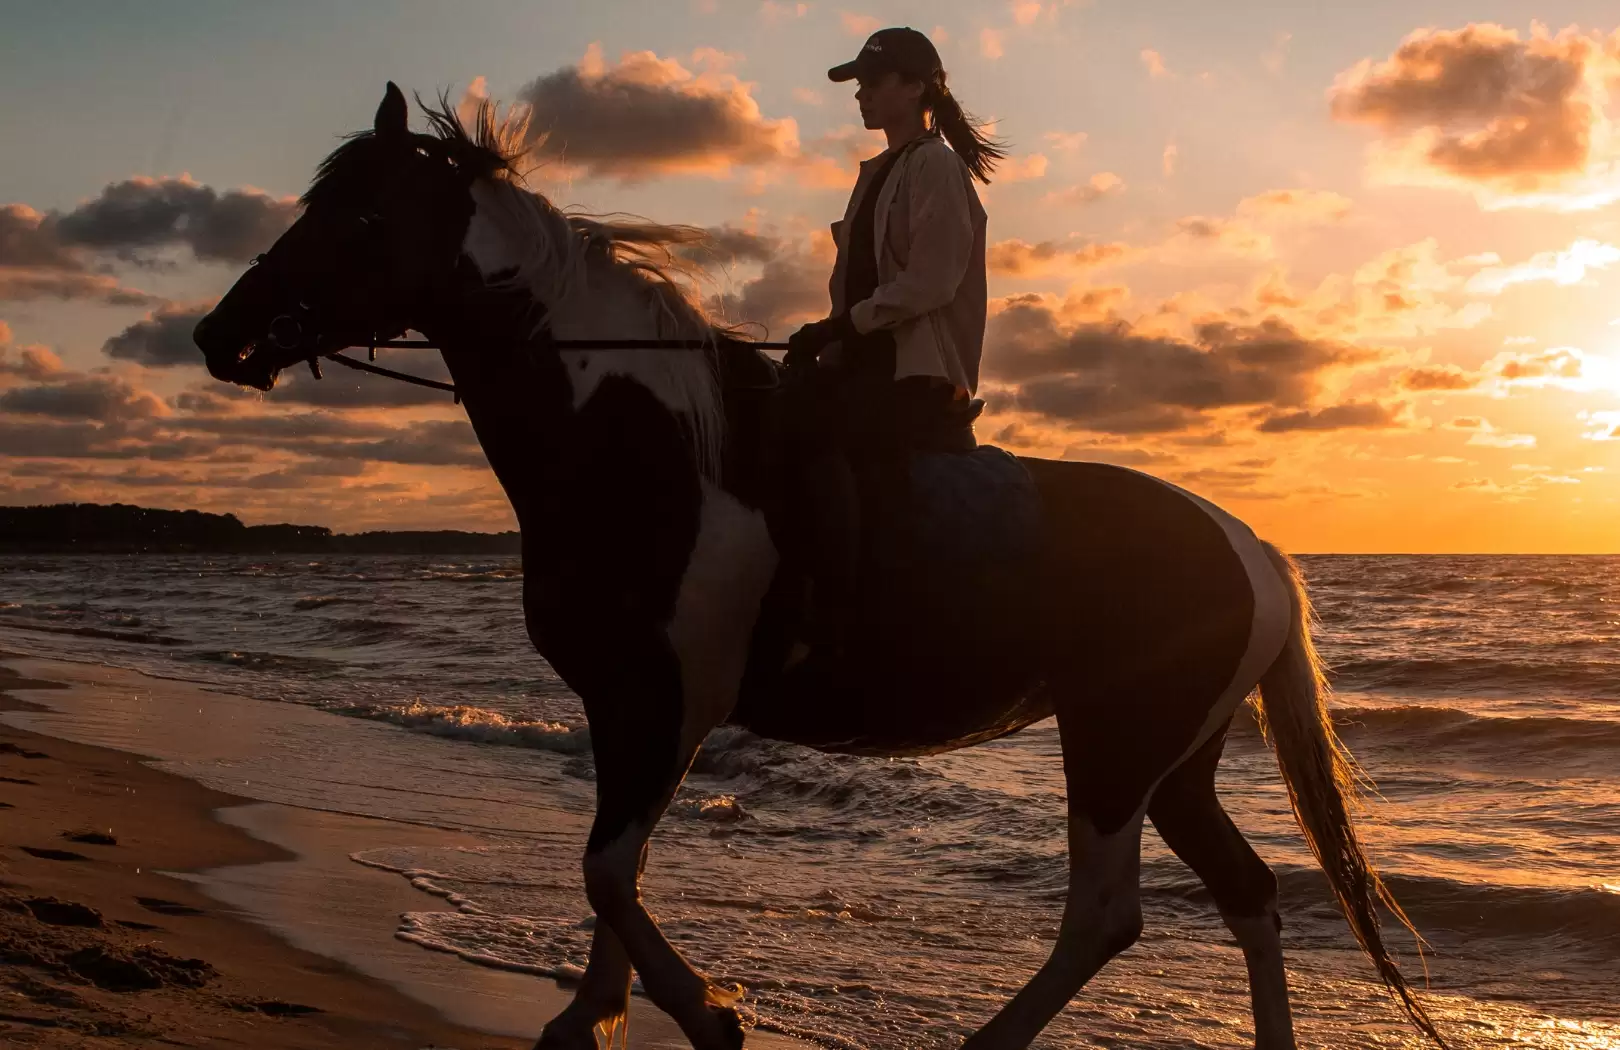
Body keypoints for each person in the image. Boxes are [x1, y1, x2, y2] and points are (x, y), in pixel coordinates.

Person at [784, 25, 1000, 655]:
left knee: (812, 440)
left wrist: (842, 326)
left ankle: (837, 619)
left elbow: (931, 281)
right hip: (862, 364)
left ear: (914, 87)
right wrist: (830, 338)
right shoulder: (881, 170)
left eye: (872, 82)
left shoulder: (934, 165)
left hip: (913, 378)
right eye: (859, 85)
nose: (861, 96)